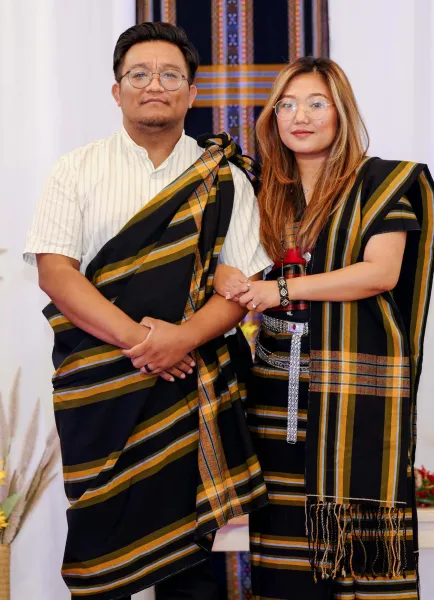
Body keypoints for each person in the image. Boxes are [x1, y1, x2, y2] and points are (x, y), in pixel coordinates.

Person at [23, 22, 272, 600]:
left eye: (169, 75)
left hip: (187, 384)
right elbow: (56, 273)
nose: (154, 85)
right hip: (99, 387)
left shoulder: (226, 178)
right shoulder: (75, 169)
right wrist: (146, 342)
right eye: (139, 74)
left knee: (190, 556)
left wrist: (181, 340)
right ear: (117, 91)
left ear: (192, 91)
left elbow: (240, 288)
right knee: (100, 542)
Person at [214, 56, 434, 600]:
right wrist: (227, 277)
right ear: (273, 117)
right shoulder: (260, 189)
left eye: (316, 103)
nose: (300, 116)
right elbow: (218, 261)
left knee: (361, 548)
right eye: (286, 105)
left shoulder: (383, 183)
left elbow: (380, 273)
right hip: (274, 389)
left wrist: (282, 291)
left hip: (354, 391)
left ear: (341, 112)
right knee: (283, 550)